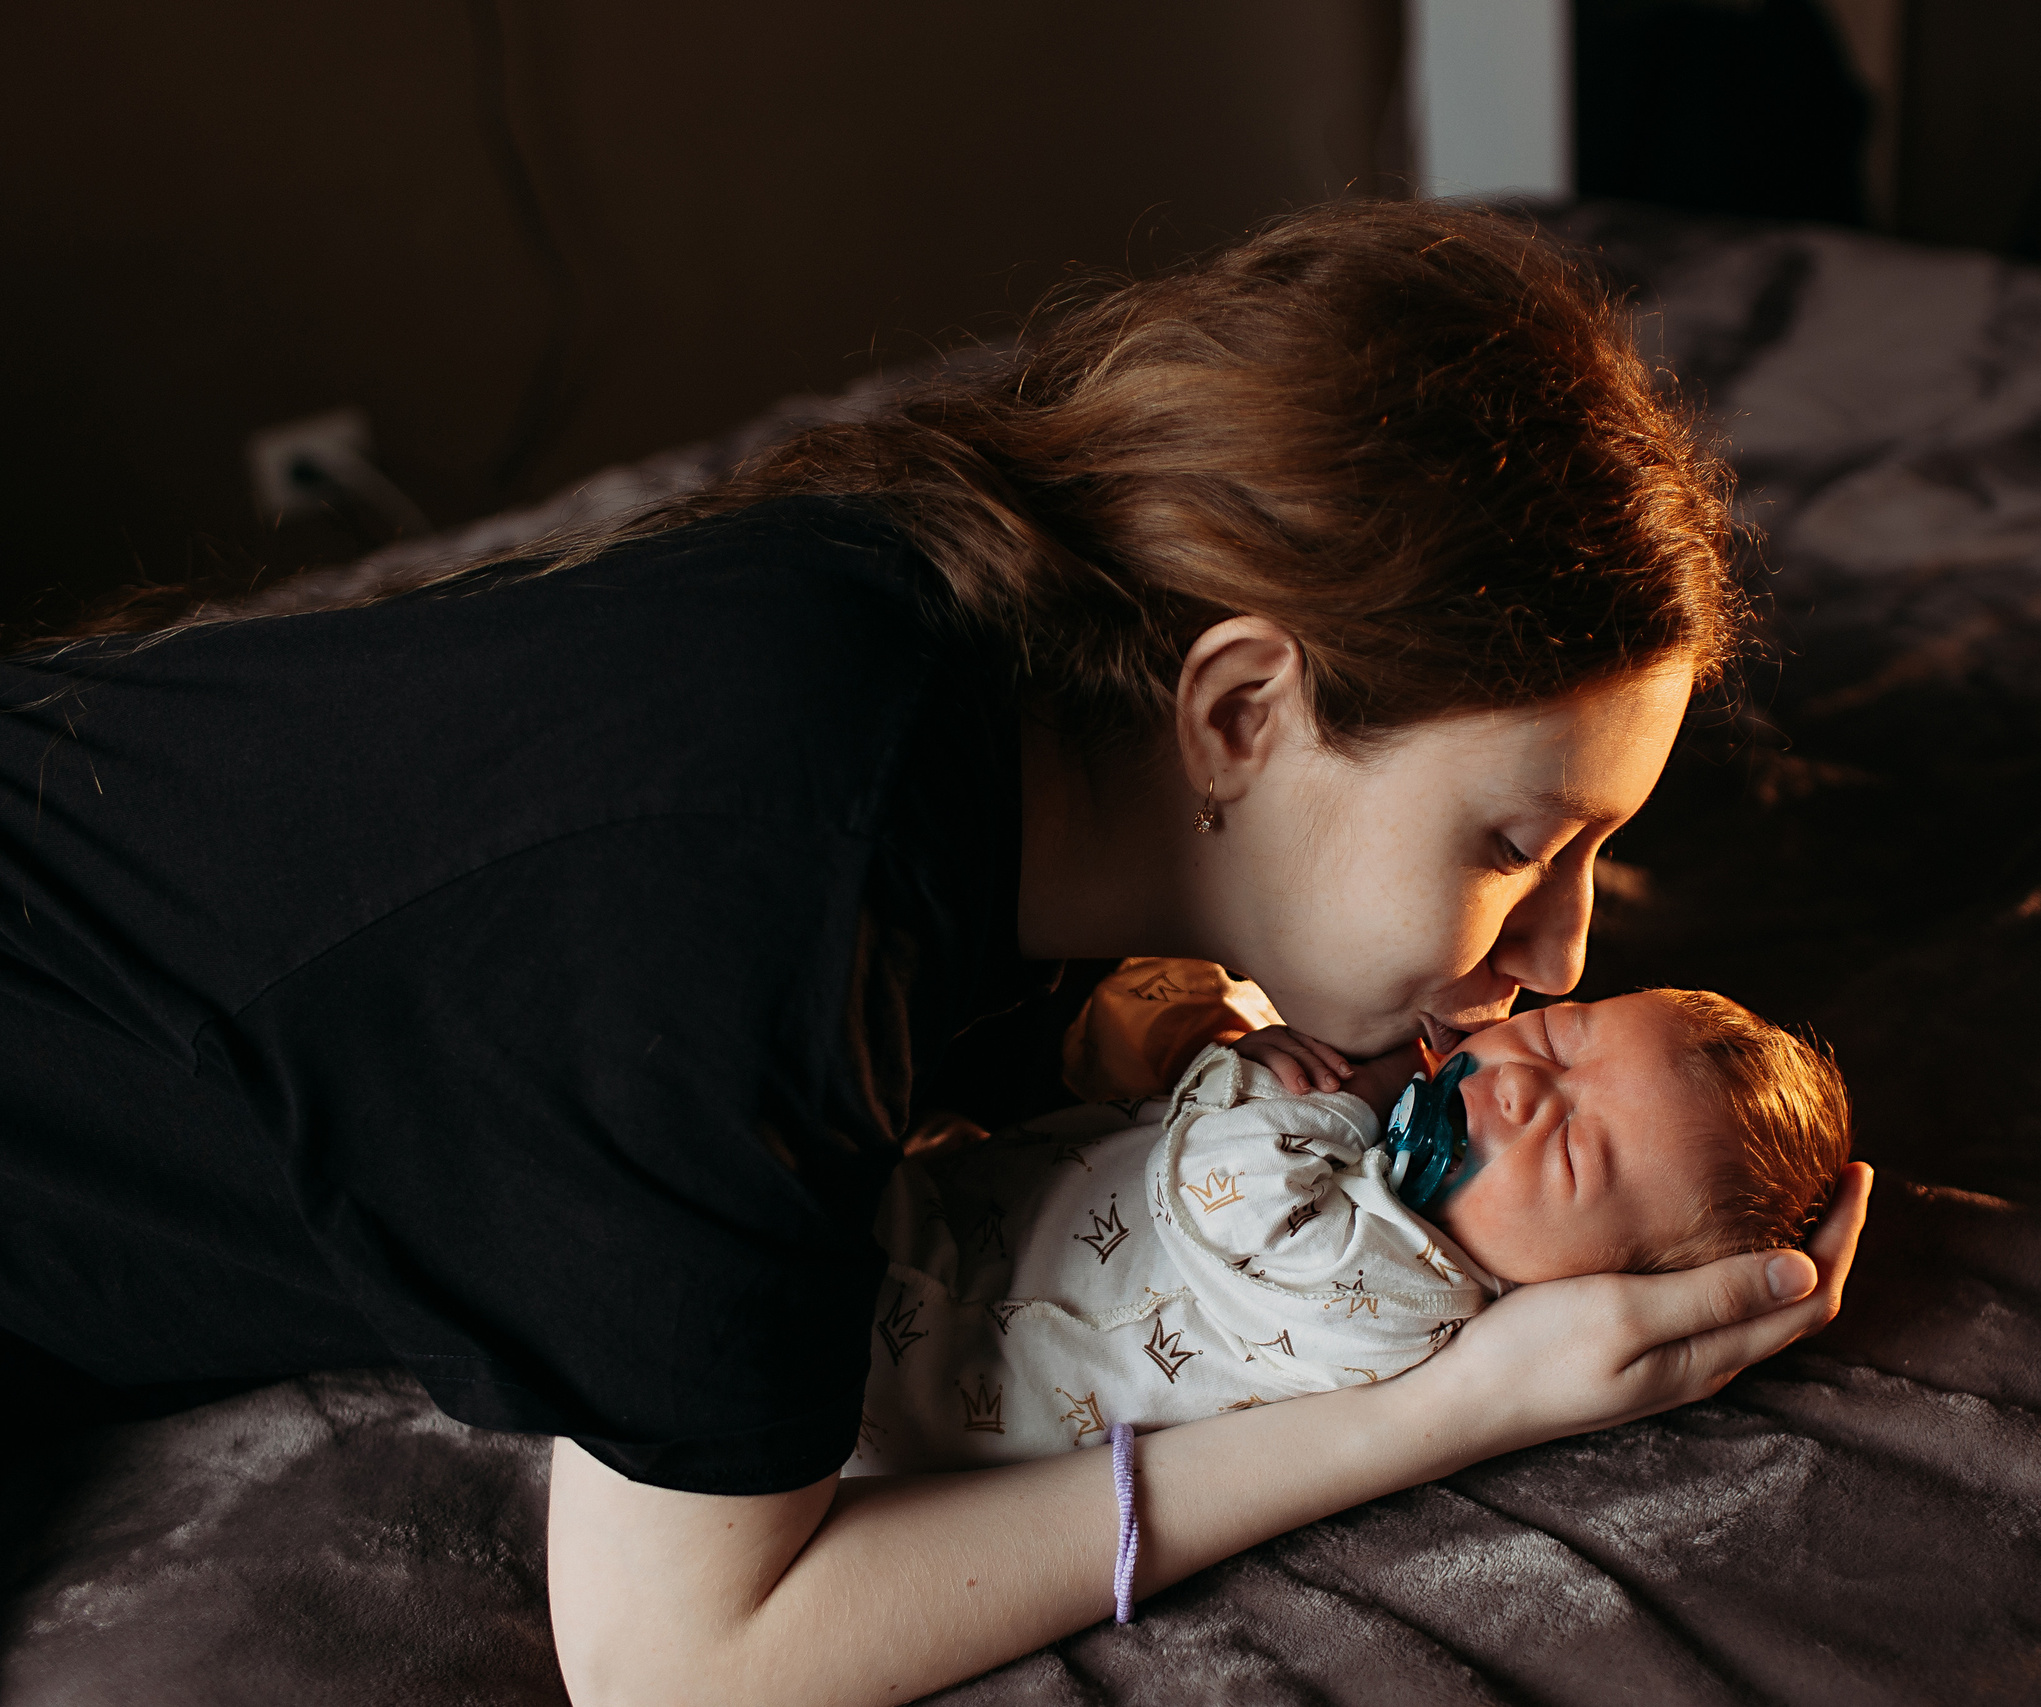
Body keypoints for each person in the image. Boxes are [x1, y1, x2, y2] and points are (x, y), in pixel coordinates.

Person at [0, 199, 1872, 1704]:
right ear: (1237, 714)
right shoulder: (755, 899)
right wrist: (1452, 1405)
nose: (1552, 958)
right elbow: (684, 1665)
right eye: (1517, 843)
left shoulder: (975, 673)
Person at [852, 985, 1853, 1474]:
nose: (1514, 1088)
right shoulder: (1392, 1187)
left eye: (1568, 1156)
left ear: (1584, 1292)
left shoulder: (1404, 1298)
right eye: (1554, 1040)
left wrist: (1316, 1077)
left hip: (886, 1365)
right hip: (943, 1216)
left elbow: (1222, 1186)